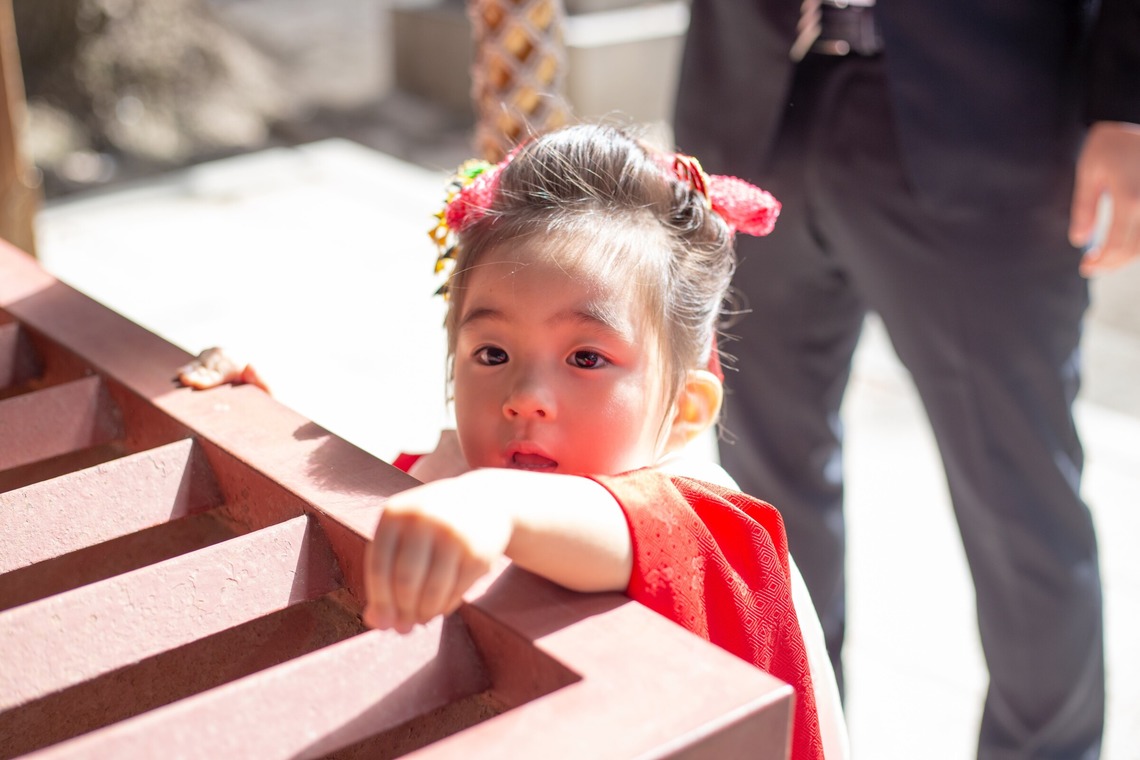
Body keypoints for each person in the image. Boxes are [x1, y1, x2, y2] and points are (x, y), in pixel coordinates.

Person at [672, 1, 1140, 757]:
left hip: (993, 107)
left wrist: (1127, 106)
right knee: (766, 481)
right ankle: (793, 738)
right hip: (753, 103)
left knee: (1019, 494)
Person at [357, 123, 848, 759]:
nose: (524, 394)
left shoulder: (711, 529)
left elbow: (627, 527)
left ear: (684, 411)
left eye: (586, 358)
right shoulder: (446, 480)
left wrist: (492, 504)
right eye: (492, 352)